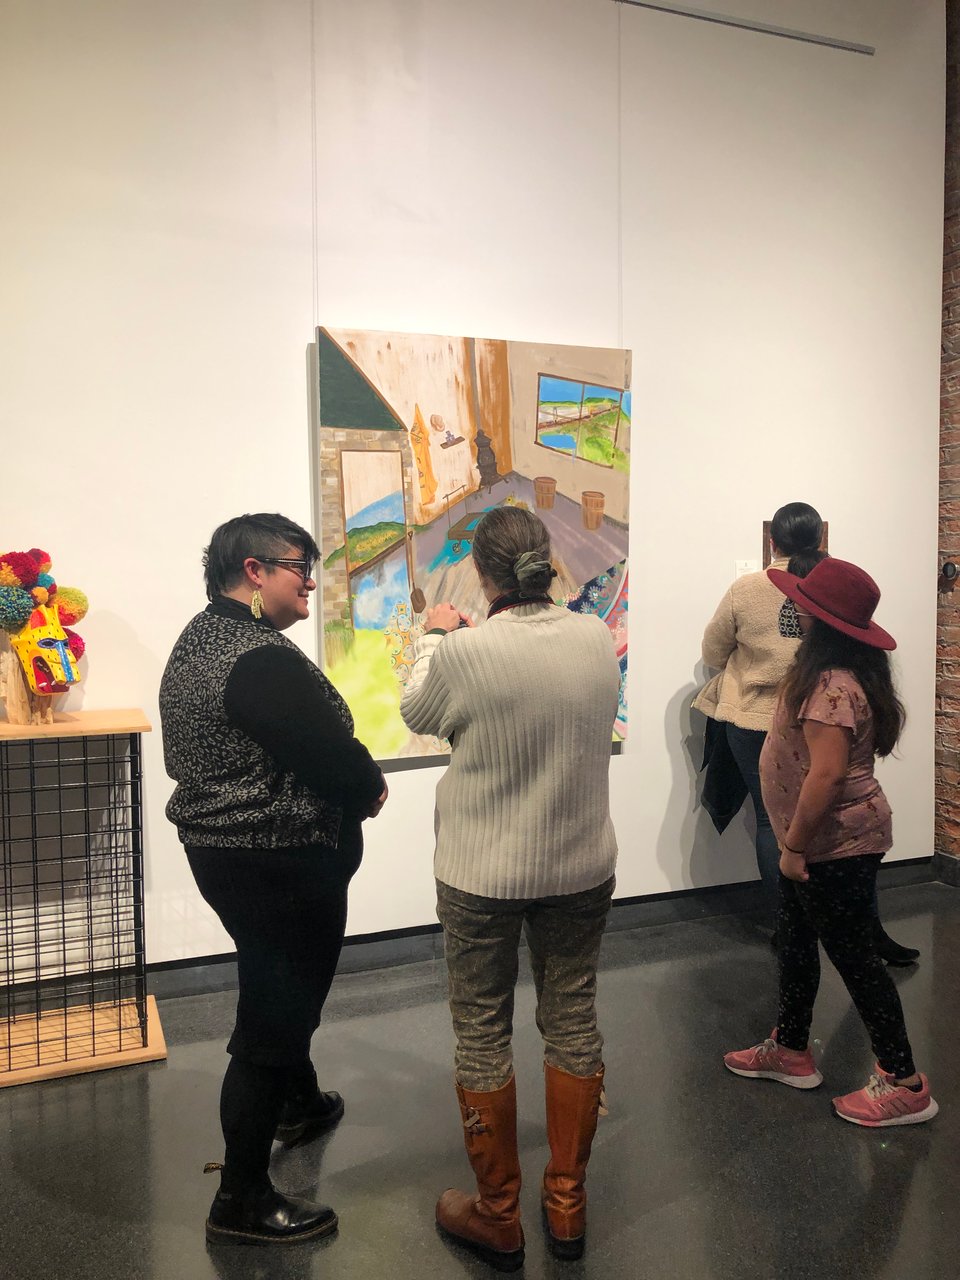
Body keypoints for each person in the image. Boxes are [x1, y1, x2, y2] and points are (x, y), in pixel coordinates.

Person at [399, 507, 620, 1270]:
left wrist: (434, 631)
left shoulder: (464, 653)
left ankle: (499, 1213)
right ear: (547, 564)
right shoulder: (595, 637)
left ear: (484, 576)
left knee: (482, 1030)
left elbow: (414, 710)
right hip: (581, 863)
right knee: (572, 1018)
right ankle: (566, 1205)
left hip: (481, 871)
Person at [159, 513, 387, 1245]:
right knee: (274, 1014)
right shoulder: (258, 658)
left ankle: (302, 1102)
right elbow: (326, 751)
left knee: (276, 982)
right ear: (253, 571)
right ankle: (243, 1198)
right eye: (299, 567)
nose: (311, 582)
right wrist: (367, 789)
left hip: (225, 853)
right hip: (279, 860)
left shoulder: (203, 639)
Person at [724, 557, 937, 1127]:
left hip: (834, 843)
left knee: (857, 961)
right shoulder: (836, 679)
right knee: (795, 943)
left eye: (802, 605)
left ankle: (905, 1082)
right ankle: (790, 1049)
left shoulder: (831, 688)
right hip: (821, 842)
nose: (792, 610)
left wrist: (792, 848)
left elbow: (826, 776)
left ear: (823, 623)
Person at [693, 503, 918, 965]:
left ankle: (789, 930)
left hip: (757, 719)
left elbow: (713, 650)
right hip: (828, 724)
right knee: (843, 828)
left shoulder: (747, 589)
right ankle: (861, 931)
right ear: (820, 538)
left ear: (771, 540)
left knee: (768, 823)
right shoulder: (839, 591)